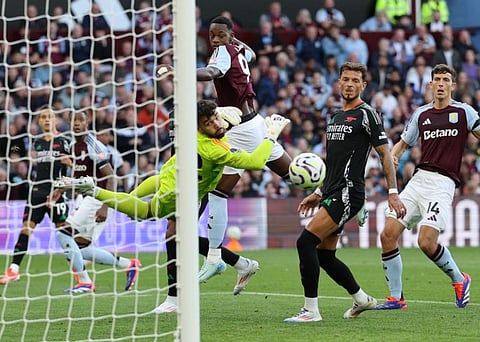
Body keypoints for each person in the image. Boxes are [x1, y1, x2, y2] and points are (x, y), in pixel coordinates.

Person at [53, 99, 290, 300]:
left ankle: (201, 279)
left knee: (174, 233)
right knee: (153, 216)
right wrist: (270, 135)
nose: (216, 124)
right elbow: (257, 162)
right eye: (209, 123)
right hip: (174, 197)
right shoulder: (214, 150)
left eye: (216, 118)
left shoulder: (194, 138)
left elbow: (158, 178)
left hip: (173, 184)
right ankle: (225, 266)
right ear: (198, 127)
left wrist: (224, 121)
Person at [158, 16, 293, 282]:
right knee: (293, 175)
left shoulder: (222, 52)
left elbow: (213, 73)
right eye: (212, 36)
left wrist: (179, 72)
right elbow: (251, 55)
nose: (216, 40)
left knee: (218, 192)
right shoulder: (238, 49)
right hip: (251, 122)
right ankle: (336, 191)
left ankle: (214, 259)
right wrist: (236, 43)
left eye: (221, 35)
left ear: (229, 35)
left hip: (240, 128)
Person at [284, 62, 406, 322]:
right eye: (345, 79)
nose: (350, 84)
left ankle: (311, 311)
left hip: (349, 193)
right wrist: (319, 190)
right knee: (324, 256)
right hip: (332, 191)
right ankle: (362, 299)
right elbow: (336, 162)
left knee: (305, 242)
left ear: (363, 85)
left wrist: (393, 192)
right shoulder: (335, 117)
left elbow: (385, 154)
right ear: (338, 83)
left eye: (355, 80)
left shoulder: (367, 114)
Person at [376, 64, 476, 310]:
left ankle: (459, 279)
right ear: (430, 84)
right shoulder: (421, 114)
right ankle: (396, 298)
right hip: (418, 181)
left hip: (443, 183)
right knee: (387, 235)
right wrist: (391, 157)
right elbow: (402, 144)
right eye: (436, 80)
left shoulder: (465, 113)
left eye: (445, 80)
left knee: (426, 241)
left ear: (452, 85)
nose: (440, 84)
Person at [50, 111, 140, 293]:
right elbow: (79, 177)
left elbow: (111, 177)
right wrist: (61, 190)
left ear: (87, 123)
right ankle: (128, 264)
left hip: (96, 199)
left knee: (63, 234)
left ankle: (85, 282)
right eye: (73, 121)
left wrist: (105, 206)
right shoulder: (73, 146)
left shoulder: (94, 145)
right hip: (84, 199)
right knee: (79, 248)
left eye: (80, 121)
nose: (76, 124)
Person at [0, 107, 72, 284]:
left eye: (50, 117)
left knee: (63, 232)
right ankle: (14, 269)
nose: (46, 120)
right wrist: (13, 149)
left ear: (56, 120)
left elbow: (78, 164)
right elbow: (13, 146)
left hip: (57, 192)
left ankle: (79, 271)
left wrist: (70, 162)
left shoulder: (65, 141)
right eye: (43, 117)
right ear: (39, 122)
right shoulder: (34, 142)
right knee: (26, 228)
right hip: (37, 192)